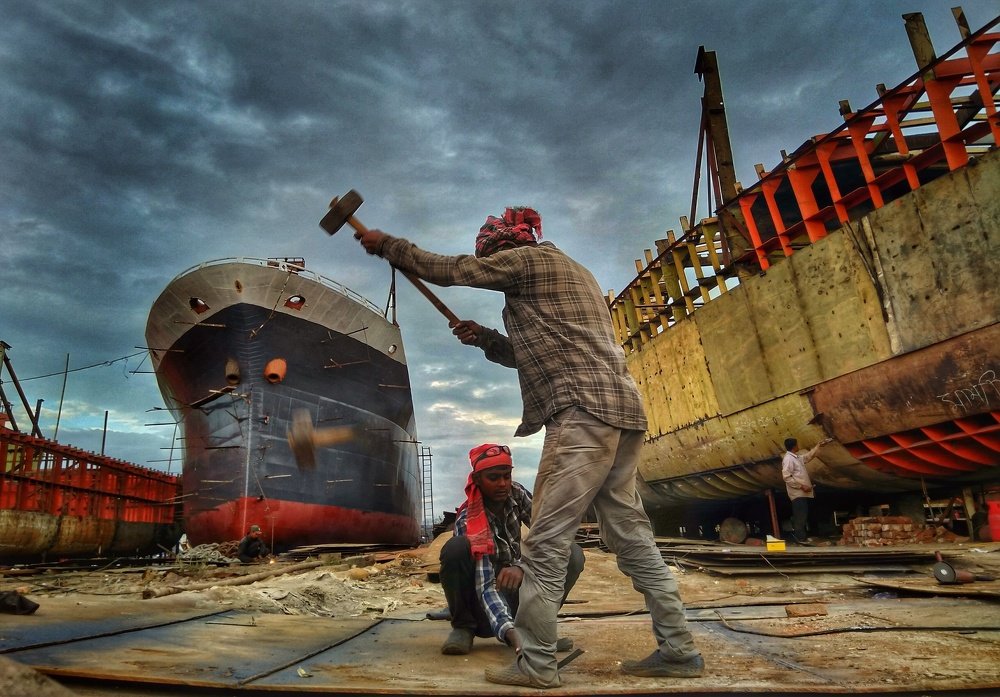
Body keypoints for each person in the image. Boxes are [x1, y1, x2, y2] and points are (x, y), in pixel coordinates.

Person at [354, 207, 702, 688]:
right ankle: (679, 649)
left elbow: (456, 271)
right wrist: (486, 340)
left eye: (492, 259)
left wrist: (391, 247)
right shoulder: (573, 273)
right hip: (622, 413)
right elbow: (532, 354)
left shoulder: (527, 261)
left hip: (580, 411)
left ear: (504, 249)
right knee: (632, 535)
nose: (493, 267)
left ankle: (537, 663)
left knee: (544, 543)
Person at [439, 442, 584, 657]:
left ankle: (536, 628)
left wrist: (522, 565)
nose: (503, 484)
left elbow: (549, 535)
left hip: (516, 592)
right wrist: (513, 636)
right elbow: (486, 584)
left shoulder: (517, 494)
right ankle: (463, 627)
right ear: (478, 480)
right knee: (456, 549)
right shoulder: (468, 519)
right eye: (494, 478)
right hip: (482, 602)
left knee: (571, 553)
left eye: (506, 476)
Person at [781, 437, 831, 544]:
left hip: (803, 493)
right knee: (800, 516)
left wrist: (818, 446)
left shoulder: (796, 457)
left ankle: (803, 537)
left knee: (804, 515)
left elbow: (807, 457)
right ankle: (800, 539)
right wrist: (801, 486)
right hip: (798, 493)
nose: (798, 446)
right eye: (797, 444)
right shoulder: (788, 459)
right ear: (794, 446)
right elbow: (786, 477)